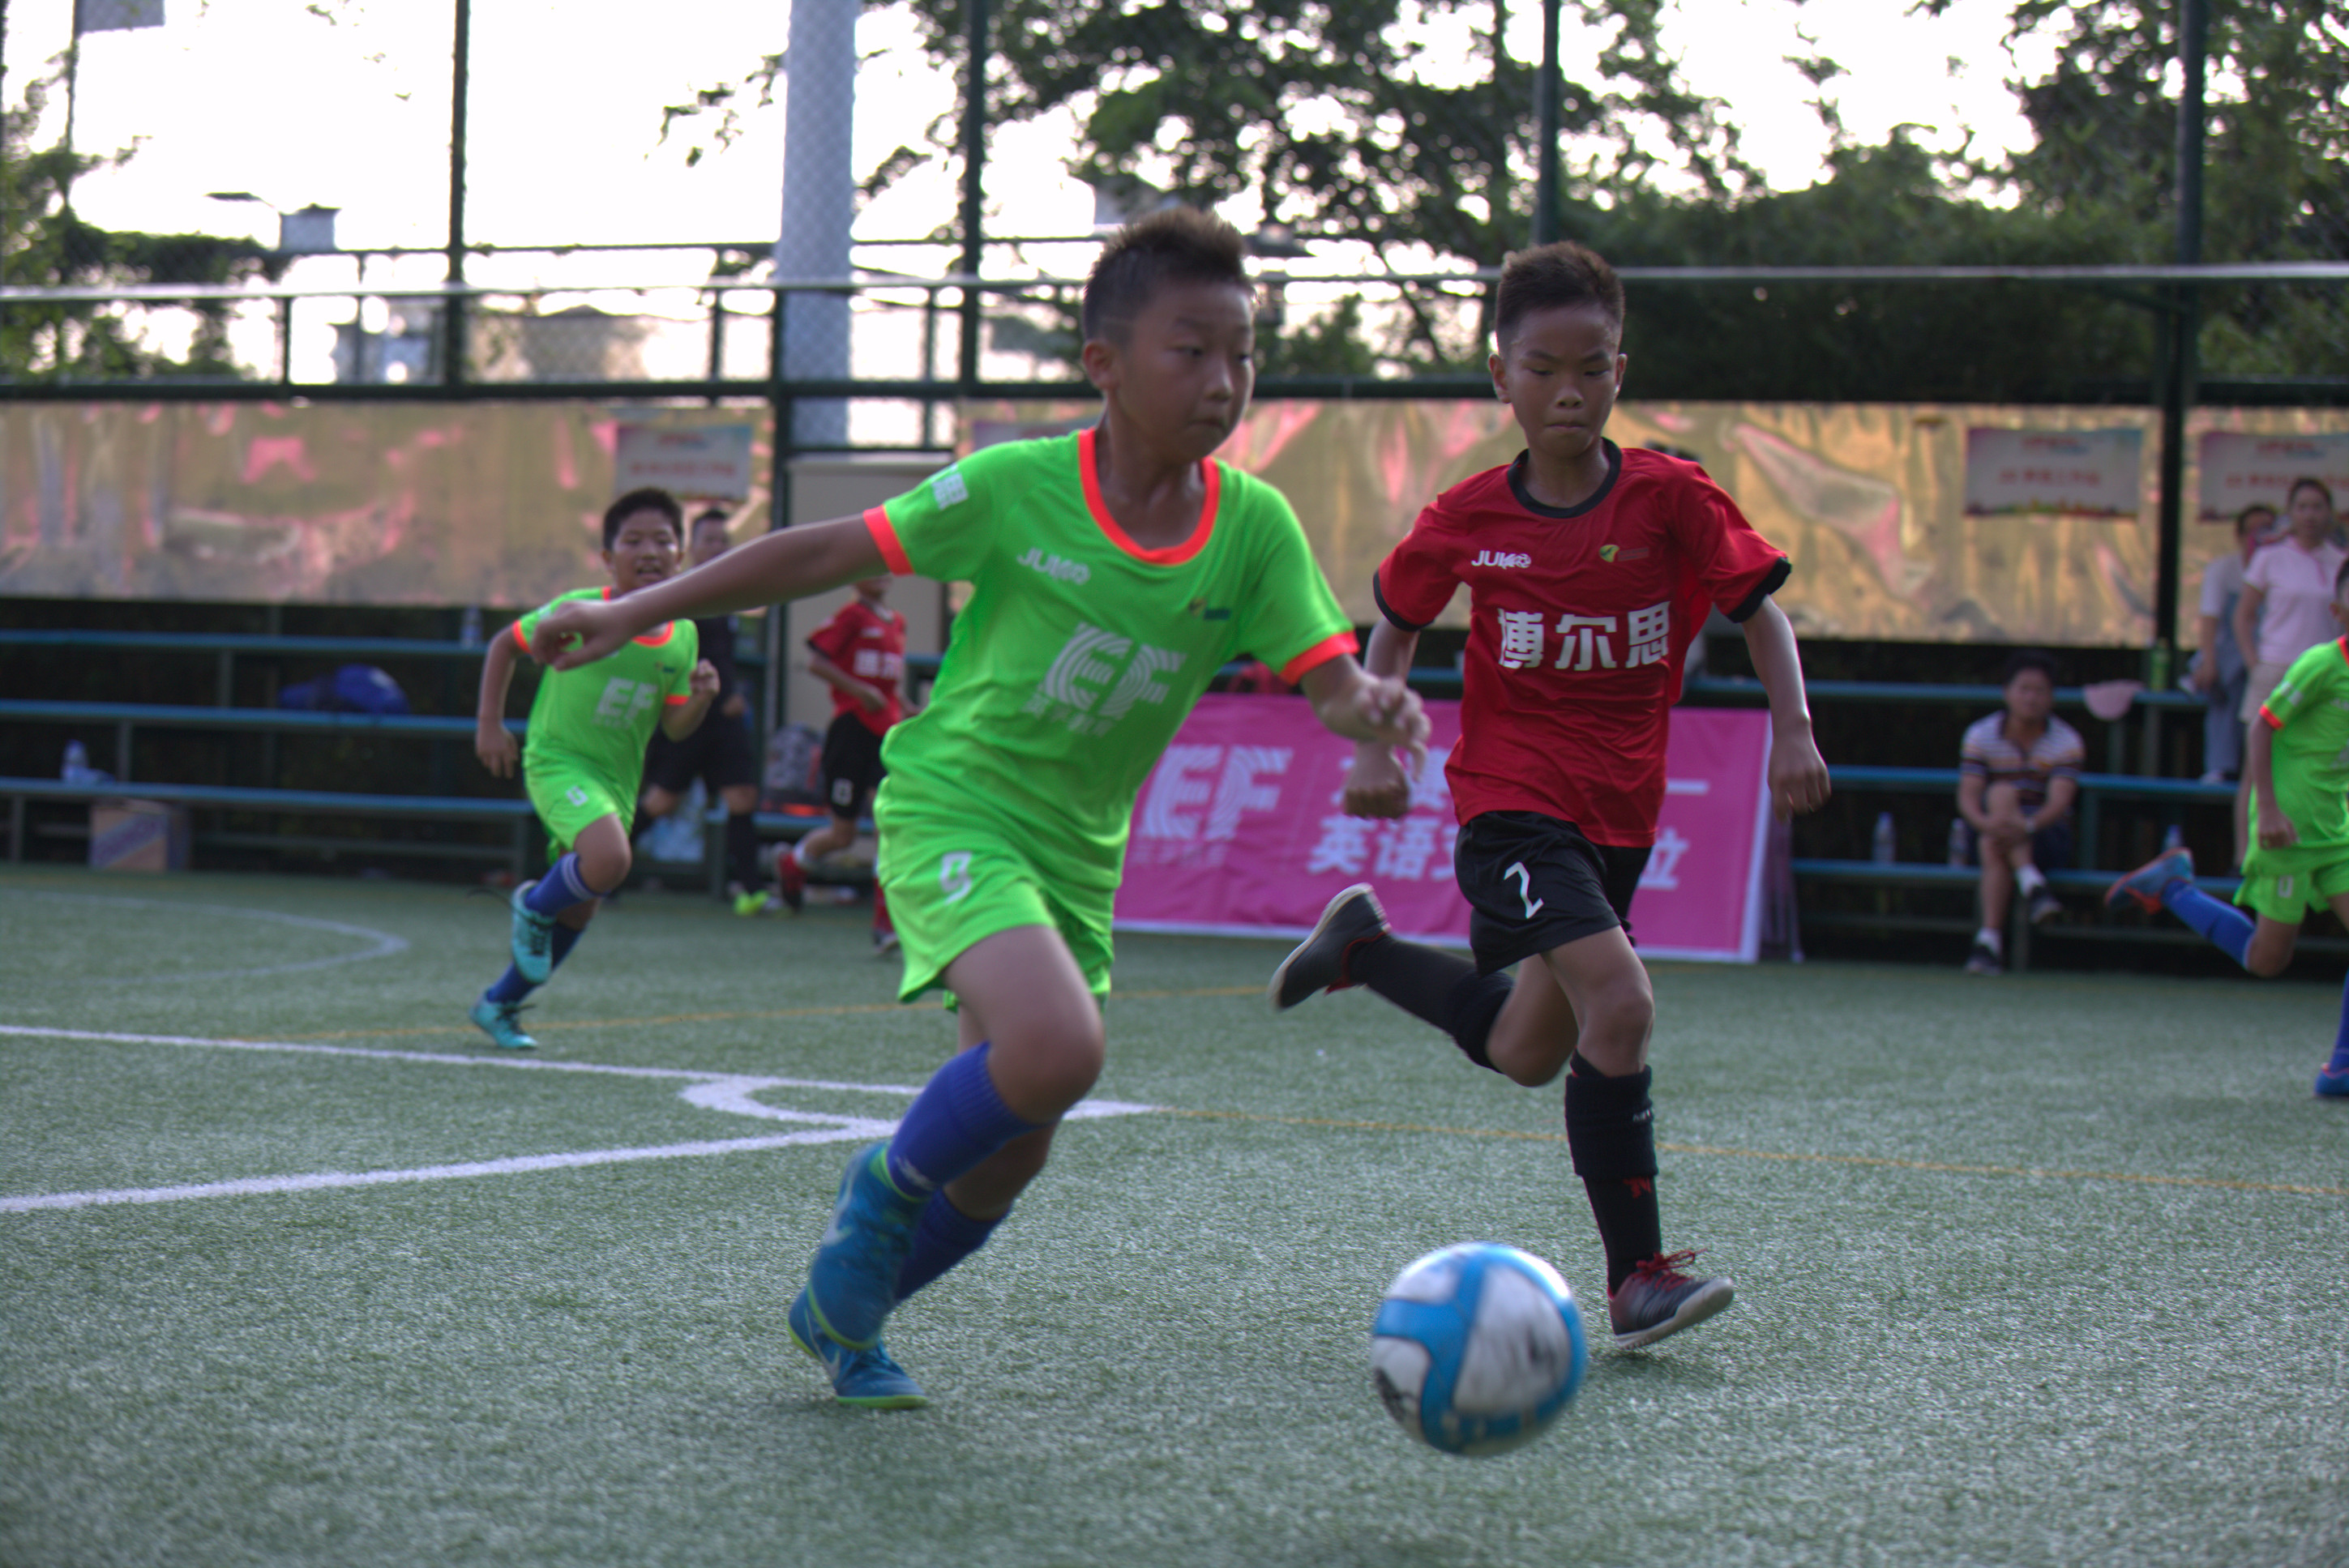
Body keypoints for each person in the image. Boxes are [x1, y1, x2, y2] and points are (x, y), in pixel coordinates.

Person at [528, 207, 1428, 1408]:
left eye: (1243, 355)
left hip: (1077, 857)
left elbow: (1330, 680)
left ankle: (846, 1317)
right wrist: (637, 610)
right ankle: (875, 1197)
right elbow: (824, 551)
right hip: (954, 805)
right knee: (1059, 1047)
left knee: (1016, 1146)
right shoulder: (1019, 485)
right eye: (1190, 351)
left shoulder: (1253, 528)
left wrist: (1372, 708)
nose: (1224, 381)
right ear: (1104, 363)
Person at [1266, 241, 1833, 1352]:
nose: (1567, 391)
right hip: (1511, 803)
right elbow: (1398, 619)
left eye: (1590, 367)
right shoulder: (1468, 516)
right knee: (1620, 1003)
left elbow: (1759, 610)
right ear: (1501, 377)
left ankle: (1363, 951)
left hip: (1620, 812)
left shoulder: (1671, 496)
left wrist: (1794, 730)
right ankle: (1637, 1280)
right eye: (1541, 369)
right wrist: (1377, 741)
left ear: (1621, 370)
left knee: (1529, 1047)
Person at [469, 488, 721, 1050]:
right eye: (633, 541)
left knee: (581, 909)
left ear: (681, 555)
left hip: (616, 784)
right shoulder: (579, 609)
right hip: (558, 761)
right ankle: (532, 905)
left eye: (663, 540)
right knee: (610, 861)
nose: (649, 551)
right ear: (608, 558)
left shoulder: (683, 633)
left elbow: (675, 726)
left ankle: (498, 1004)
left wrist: (701, 699)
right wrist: (489, 722)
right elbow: (504, 645)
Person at [2107, 553, 2349, 1099]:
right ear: (2338, 612)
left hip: (2337, 832)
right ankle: (2173, 887)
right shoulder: (2320, 664)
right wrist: (2270, 809)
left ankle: (2340, 1069)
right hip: (2288, 830)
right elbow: (2261, 729)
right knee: (2267, 960)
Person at [640, 507, 774, 916]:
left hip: (725, 721)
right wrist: (711, 695)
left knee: (742, 797)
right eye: (709, 540)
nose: (717, 547)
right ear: (691, 548)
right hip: (690, 717)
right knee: (661, 801)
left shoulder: (730, 594)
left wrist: (730, 695)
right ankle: (595, 871)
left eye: (723, 541)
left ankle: (751, 891)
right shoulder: (681, 596)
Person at [773, 573, 909, 952]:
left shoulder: (898, 622)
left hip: (886, 735)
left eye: (884, 565)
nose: (879, 573)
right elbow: (816, 662)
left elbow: (888, 686)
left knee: (888, 822)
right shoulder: (851, 616)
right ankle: (794, 864)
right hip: (850, 734)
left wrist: (908, 708)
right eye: (869, 566)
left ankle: (885, 922)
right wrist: (858, 691)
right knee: (842, 835)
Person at [2235, 478, 2346, 869]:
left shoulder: (2339, 560)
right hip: (2277, 669)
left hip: (2327, 674)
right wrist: (2255, 664)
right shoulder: (2270, 557)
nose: (2310, 515)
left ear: (2330, 513)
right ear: (2290, 512)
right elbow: (2243, 616)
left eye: (2318, 507)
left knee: (2322, 763)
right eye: (2302, 506)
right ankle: (2245, 855)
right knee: (2256, 765)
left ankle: (2318, 852)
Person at [1953, 651, 2083, 976]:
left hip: (2045, 836)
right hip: (1991, 831)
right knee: (1999, 799)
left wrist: (2025, 826)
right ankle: (2033, 886)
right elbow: (1969, 797)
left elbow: (2058, 803)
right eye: (2024, 689)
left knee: (1995, 828)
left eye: (2040, 690)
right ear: (2007, 692)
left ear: (2051, 697)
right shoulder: (1981, 735)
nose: (2031, 698)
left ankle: (1988, 942)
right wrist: (1988, 825)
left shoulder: (2067, 741)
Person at [2192, 504, 2276, 790]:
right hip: (2227, 657)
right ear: (2239, 536)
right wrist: (2209, 662)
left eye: (2268, 530)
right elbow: (2210, 619)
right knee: (2230, 680)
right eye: (2254, 531)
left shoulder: (2282, 567)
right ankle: (2222, 766)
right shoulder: (2223, 569)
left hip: (2265, 657)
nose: (2261, 537)